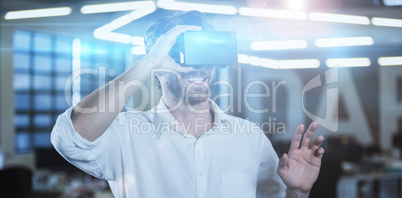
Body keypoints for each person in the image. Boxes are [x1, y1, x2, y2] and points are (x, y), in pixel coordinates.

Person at [51, 10, 325, 198]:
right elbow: (69, 137)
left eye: (205, 52)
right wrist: (149, 61)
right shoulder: (126, 133)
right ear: (156, 67)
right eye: (182, 52)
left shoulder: (250, 138)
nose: (199, 65)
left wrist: (298, 193)